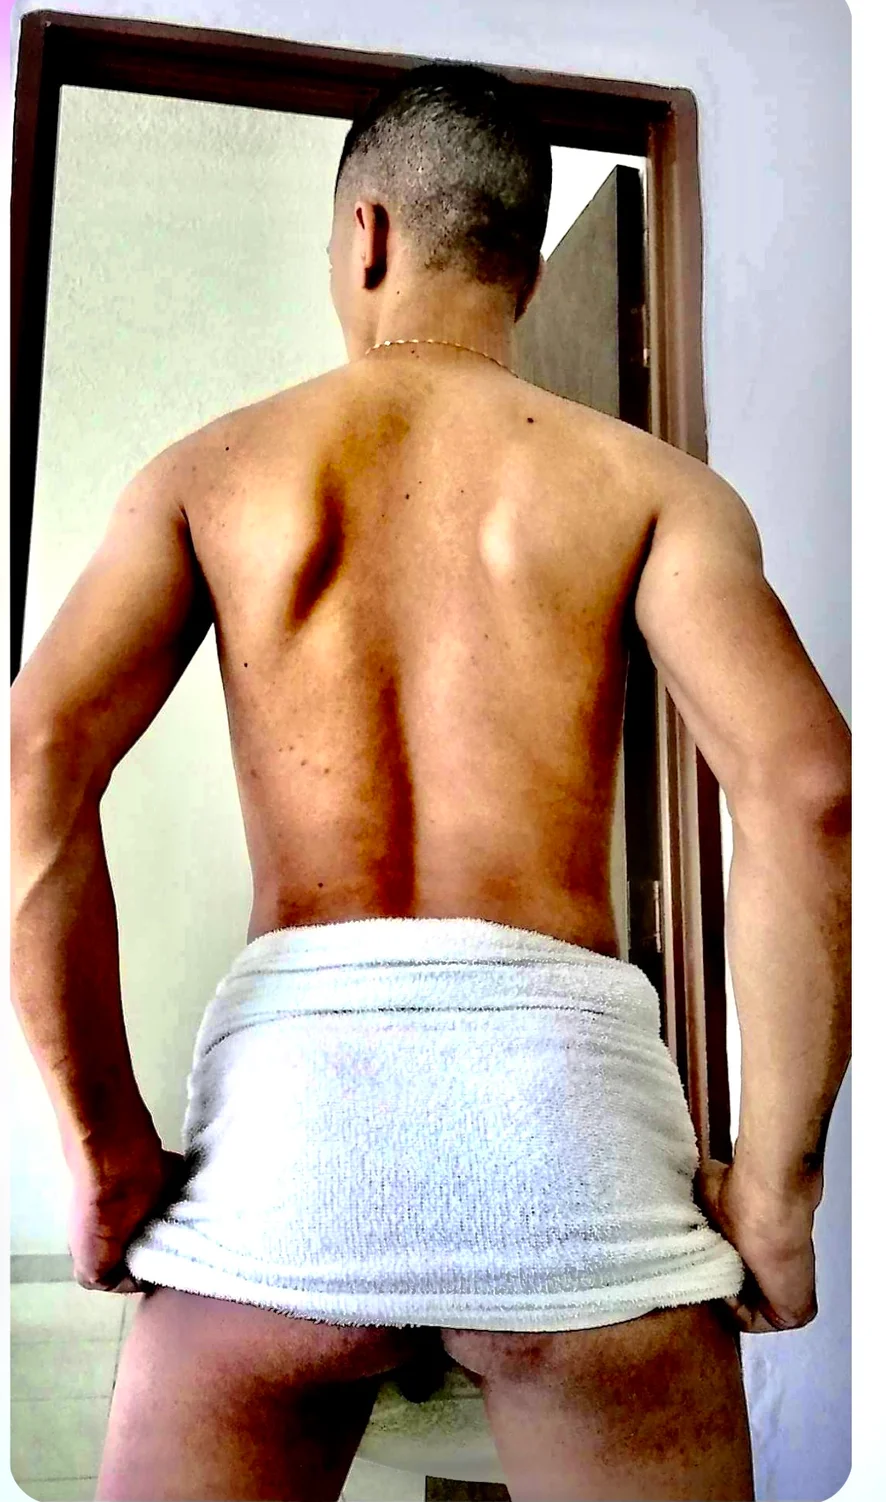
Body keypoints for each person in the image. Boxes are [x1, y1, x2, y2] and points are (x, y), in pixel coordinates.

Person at [10, 60, 850, 1502]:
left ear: (367, 234)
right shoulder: (652, 488)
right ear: (527, 265)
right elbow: (805, 792)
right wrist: (775, 1187)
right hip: (570, 1126)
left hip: (292, 1130)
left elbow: (36, 758)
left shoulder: (205, 474)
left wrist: (102, 1148)